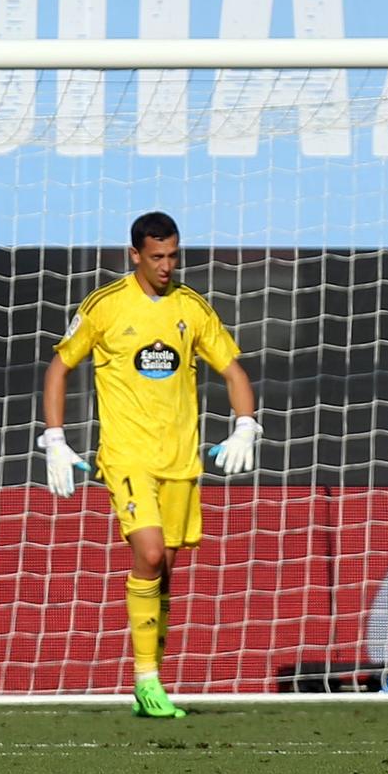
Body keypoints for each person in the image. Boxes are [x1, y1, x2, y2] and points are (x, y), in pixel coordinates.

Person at [40, 212, 259, 718]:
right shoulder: (106, 306)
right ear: (134, 255)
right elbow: (59, 367)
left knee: (165, 574)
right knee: (152, 553)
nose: (167, 265)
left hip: (180, 461)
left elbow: (232, 370)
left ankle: (151, 682)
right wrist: (55, 438)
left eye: (173, 256)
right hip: (126, 456)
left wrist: (246, 424)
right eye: (157, 256)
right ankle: (144, 676)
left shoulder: (191, 308)